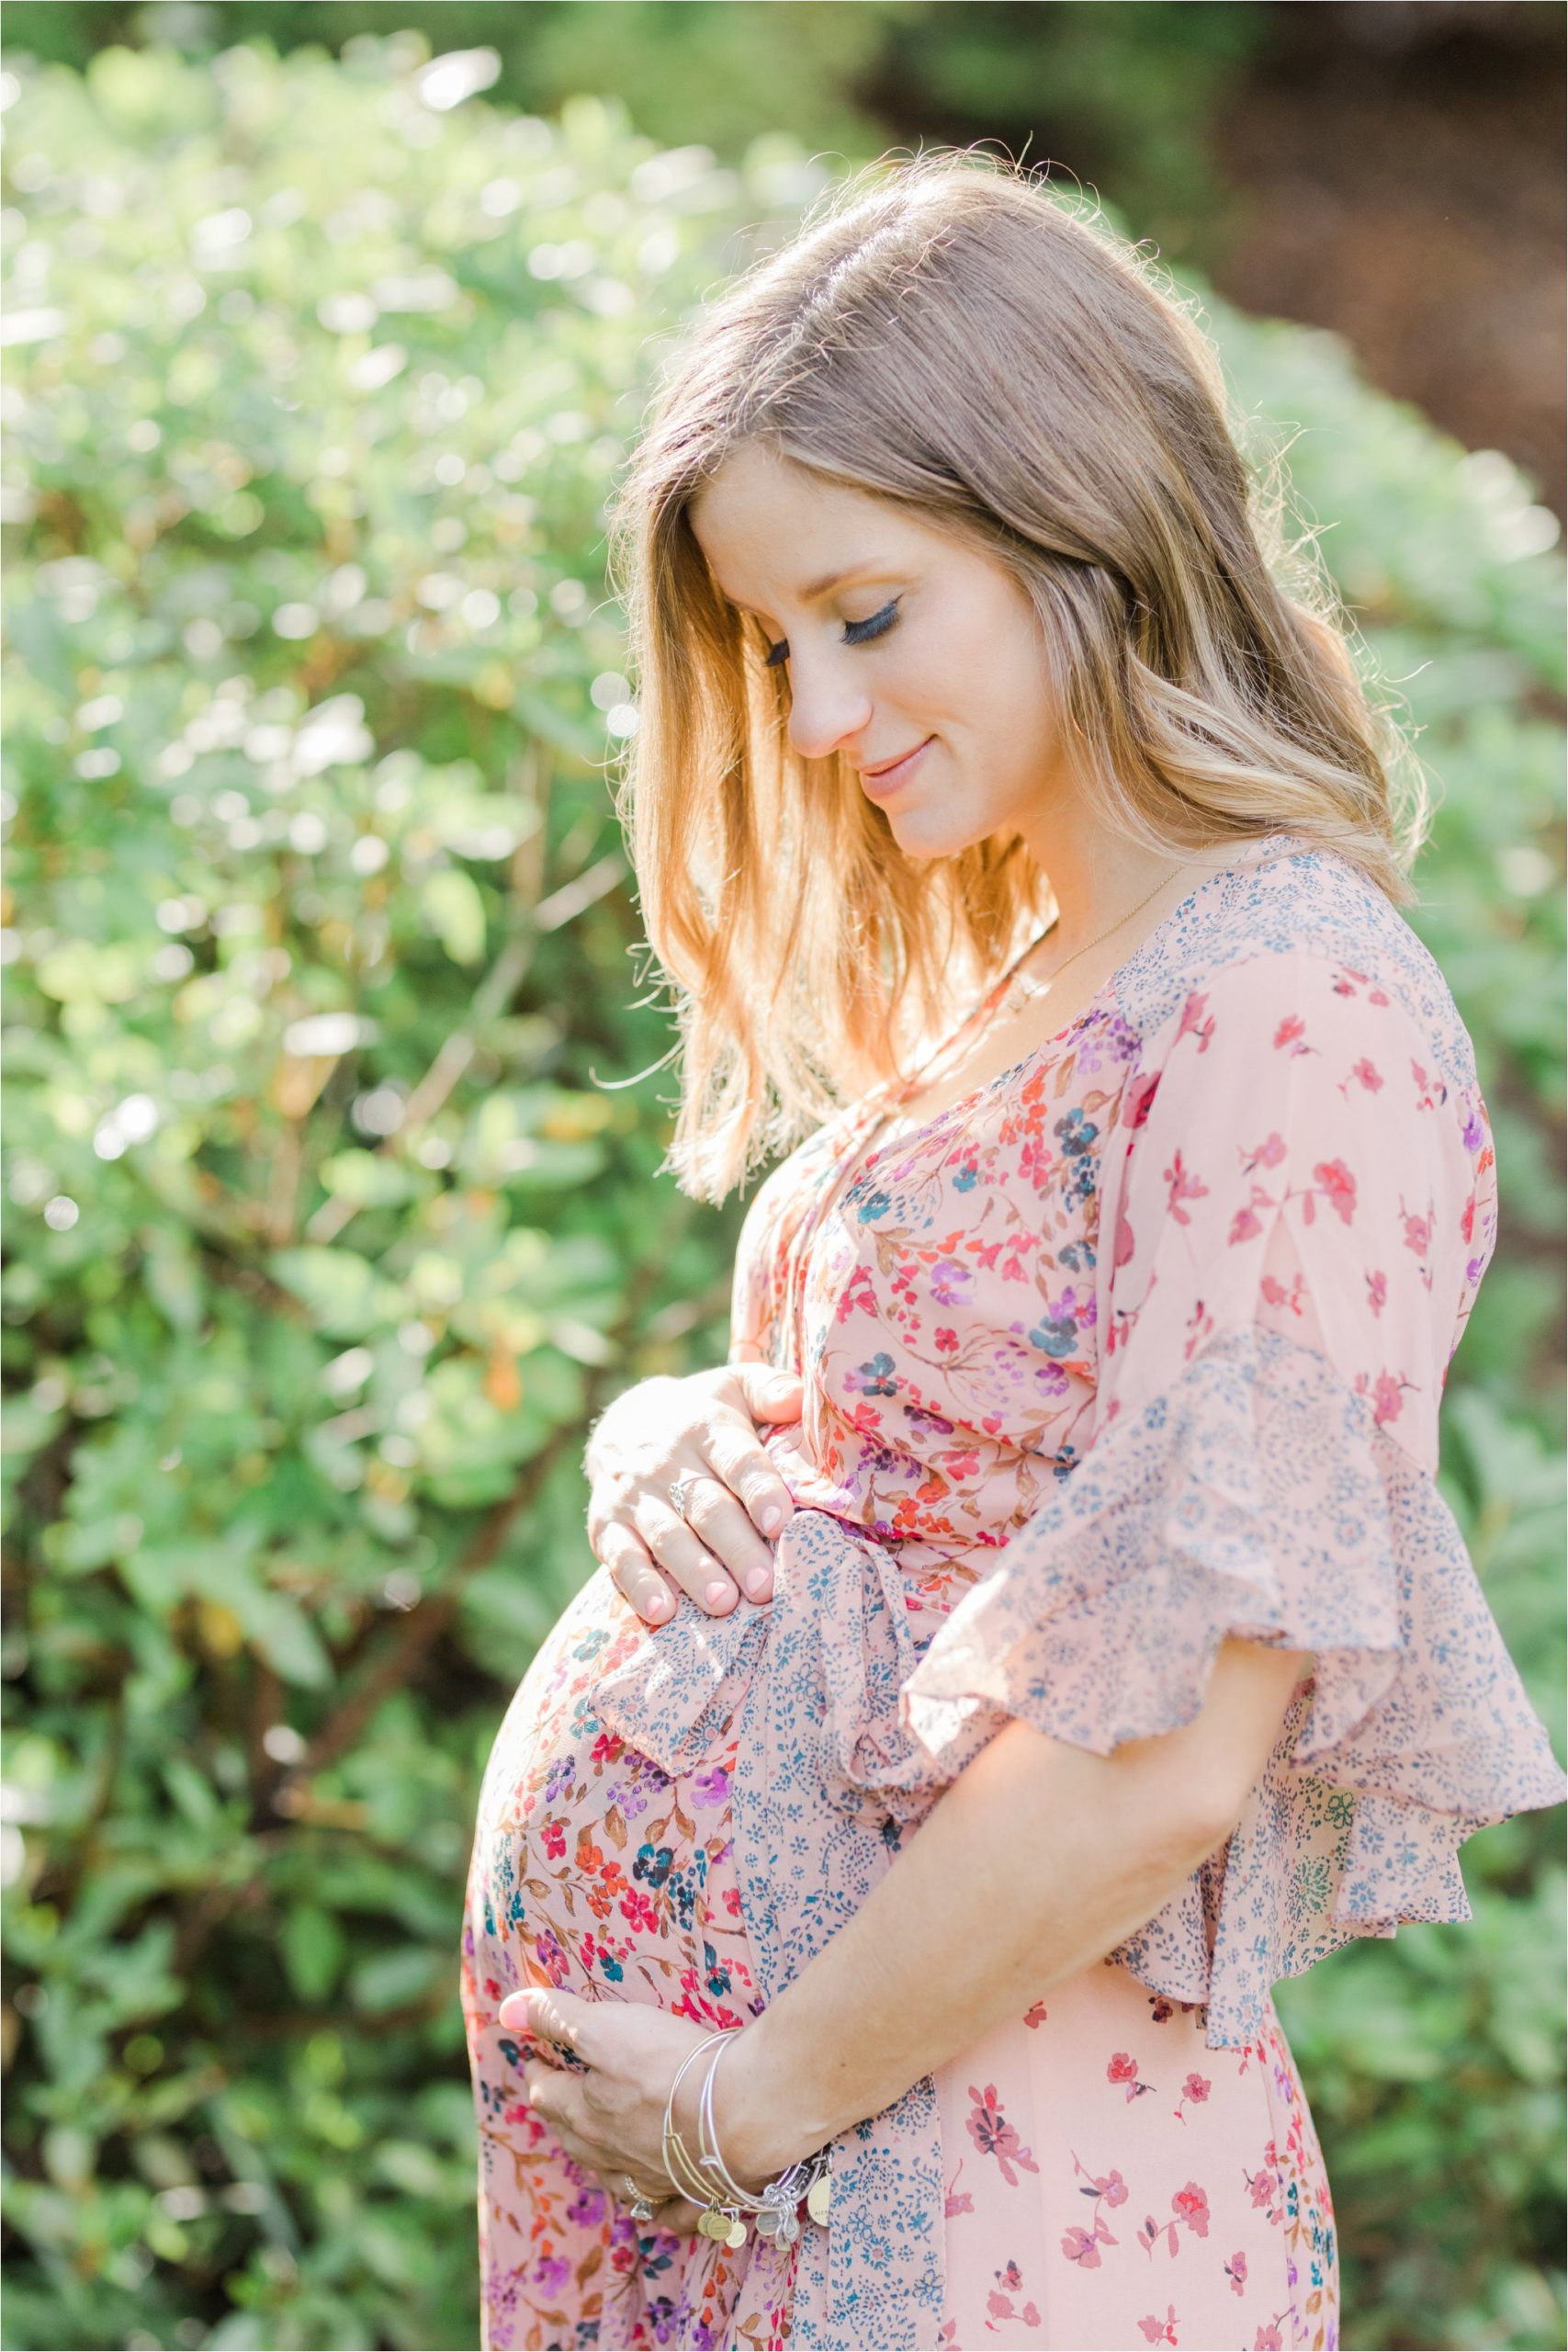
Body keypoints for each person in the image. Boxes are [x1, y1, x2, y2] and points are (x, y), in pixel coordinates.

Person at [459, 153, 1566, 2352]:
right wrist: (688, 1435)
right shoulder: (1042, 974)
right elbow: (938, 1472)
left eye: (863, 613)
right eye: (769, 642)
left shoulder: (1287, 997)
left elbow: (1166, 1740)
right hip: (771, 2194)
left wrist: (747, 2101)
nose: (804, 714)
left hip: (976, 2216)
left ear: (1084, 530)